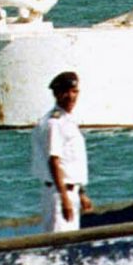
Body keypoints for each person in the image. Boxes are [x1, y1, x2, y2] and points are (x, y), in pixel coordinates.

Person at [31, 71, 92, 232]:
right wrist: (64, 198)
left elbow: (70, 161)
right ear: (56, 94)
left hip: (70, 192)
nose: (71, 97)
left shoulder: (68, 120)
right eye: (66, 92)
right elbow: (54, 161)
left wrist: (81, 193)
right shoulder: (54, 123)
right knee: (59, 241)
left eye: (74, 92)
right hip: (59, 194)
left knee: (70, 241)